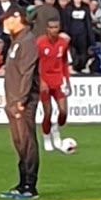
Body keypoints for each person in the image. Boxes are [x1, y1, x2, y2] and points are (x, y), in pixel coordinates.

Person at [0, 6, 40, 200]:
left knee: (27, 141)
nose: (5, 24)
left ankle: (30, 186)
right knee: (19, 143)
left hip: (22, 102)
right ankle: (22, 182)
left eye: (7, 19)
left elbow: (27, 73)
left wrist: (21, 101)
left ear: (17, 18)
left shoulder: (27, 41)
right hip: (13, 101)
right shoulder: (16, 41)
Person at [36, 19, 70, 152]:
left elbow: (65, 63)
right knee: (47, 112)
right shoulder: (40, 43)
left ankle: (55, 128)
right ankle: (46, 137)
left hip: (58, 81)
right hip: (44, 81)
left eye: (56, 27)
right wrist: (40, 81)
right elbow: (35, 64)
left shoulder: (63, 43)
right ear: (47, 29)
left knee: (63, 112)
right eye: (52, 27)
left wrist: (67, 80)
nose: (54, 30)